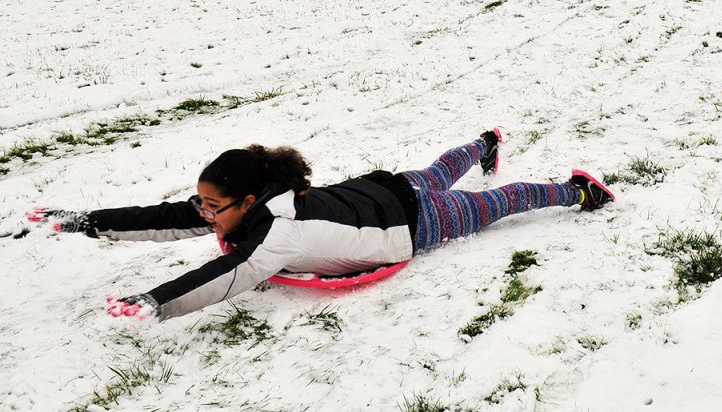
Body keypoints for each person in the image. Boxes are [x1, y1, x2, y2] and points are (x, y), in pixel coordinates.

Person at [26, 129, 615, 321]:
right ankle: (483, 143)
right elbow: (166, 217)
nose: (202, 213)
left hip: (418, 220)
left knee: (503, 200)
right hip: (382, 188)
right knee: (439, 168)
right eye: (202, 204)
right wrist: (85, 221)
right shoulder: (261, 200)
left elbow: (223, 276)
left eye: (211, 205)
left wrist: (155, 301)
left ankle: (576, 189)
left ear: (247, 198)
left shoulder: (275, 235)